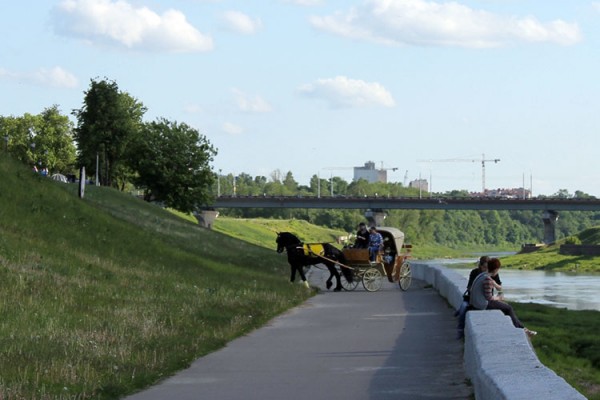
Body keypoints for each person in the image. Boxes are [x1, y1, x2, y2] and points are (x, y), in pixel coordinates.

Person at [470, 258, 537, 337]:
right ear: (496, 269)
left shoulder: (483, 275)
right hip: (481, 305)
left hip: (476, 303)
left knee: (504, 306)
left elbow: (494, 285)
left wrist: (496, 286)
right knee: (508, 308)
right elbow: (489, 298)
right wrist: (499, 298)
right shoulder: (487, 279)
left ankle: (522, 329)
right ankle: (522, 330)